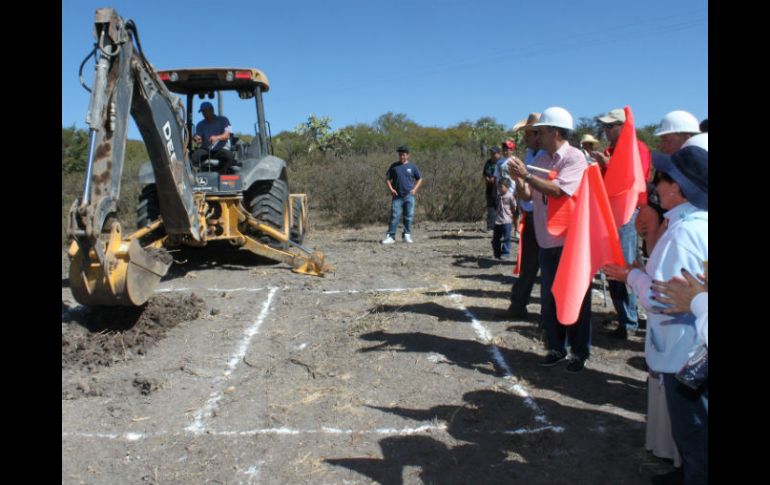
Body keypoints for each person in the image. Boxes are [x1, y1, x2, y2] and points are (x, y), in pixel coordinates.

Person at [604, 146, 708, 485]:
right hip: (691, 346)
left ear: (677, 188)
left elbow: (665, 300)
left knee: (694, 435)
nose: (655, 186)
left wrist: (629, 276)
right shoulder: (693, 224)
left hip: (683, 353)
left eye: (661, 180)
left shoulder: (683, 233)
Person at [508, 107, 591, 372]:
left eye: (541, 132)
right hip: (547, 239)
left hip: (570, 241)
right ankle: (556, 347)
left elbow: (559, 191)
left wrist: (527, 176)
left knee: (576, 297)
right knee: (550, 299)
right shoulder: (542, 159)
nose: (537, 137)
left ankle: (579, 353)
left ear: (555, 132)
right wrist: (519, 183)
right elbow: (529, 196)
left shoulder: (575, 158)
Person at [592, 108, 652, 340]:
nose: (606, 131)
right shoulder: (611, 149)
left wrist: (608, 165)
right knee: (612, 266)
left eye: (611, 126)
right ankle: (625, 318)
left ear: (624, 126)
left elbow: (636, 180)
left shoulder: (638, 148)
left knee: (623, 265)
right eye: (605, 126)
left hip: (627, 214)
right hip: (610, 213)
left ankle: (629, 321)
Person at [636, 111, 701, 255]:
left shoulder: (697, 174)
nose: (661, 145)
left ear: (686, 138)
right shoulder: (667, 168)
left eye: (666, 139)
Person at [504, 112, 542, 319]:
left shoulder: (546, 156)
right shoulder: (530, 154)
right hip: (531, 215)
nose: (525, 138)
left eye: (528, 133)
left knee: (545, 267)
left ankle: (549, 317)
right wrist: (518, 179)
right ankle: (518, 306)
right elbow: (526, 191)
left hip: (545, 218)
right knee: (528, 264)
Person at [382, 146, 423, 244]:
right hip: (397, 196)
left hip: (409, 195)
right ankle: (391, 236)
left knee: (409, 215)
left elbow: (420, 178)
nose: (402, 156)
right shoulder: (394, 166)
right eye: (400, 155)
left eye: (403, 155)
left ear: (408, 155)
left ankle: (406, 235)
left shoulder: (412, 167)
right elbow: (387, 179)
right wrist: (391, 189)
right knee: (395, 216)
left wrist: (415, 189)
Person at [191, 101, 236, 174]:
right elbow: (198, 138)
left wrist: (217, 137)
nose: (203, 113)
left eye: (205, 111)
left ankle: (222, 174)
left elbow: (227, 135)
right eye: (202, 111)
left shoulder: (223, 120)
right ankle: (197, 175)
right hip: (206, 149)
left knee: (229, 156)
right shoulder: (200, 124)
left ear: (211, 110)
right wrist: (197, 139)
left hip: (220, 149)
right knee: (194, 156)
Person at [491, 178, 517, 260]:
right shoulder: (498, 197)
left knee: (506, 238)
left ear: (507, 187)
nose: (499, 189)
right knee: (495, 238)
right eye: (498, 187)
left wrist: (512, 215)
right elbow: (496, 206)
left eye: (501, 187)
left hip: (507, 221)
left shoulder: (510, 196)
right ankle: (497, 252)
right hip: (498, 220)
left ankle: (505, 253)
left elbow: (514, 207)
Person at [483, 147, 502, 230]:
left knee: (499, 206)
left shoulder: (502, 162)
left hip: (500, 188)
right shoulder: (488, 162)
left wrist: (495, 180)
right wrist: (486, 178)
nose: (492, 155)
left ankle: (500, 225)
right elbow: (484, 173)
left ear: (499, 154)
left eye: (494, 153)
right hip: (490, 188)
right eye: (491, 153)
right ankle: (490, 226)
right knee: (491, 206)